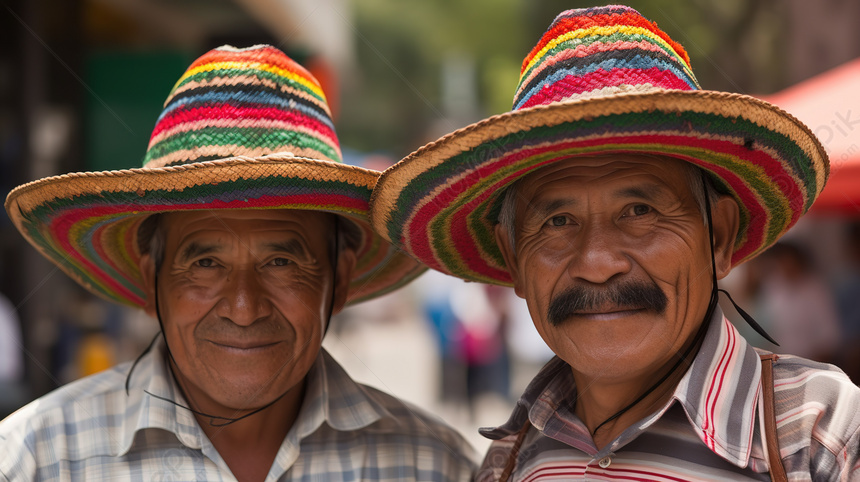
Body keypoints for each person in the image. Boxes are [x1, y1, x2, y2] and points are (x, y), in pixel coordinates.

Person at [370, 6, 860, 481]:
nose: (597, 263)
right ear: (514, 258)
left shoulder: (825, 436)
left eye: (640, 212)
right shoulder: (512, 459)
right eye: (559, 221)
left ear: (719, 237)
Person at [0, 45, 476, 481]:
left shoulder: (434, 466)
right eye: (206, 262)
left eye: (282, 262)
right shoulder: (34, 460)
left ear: (341, 276)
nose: (244, 308)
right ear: (151, 280)